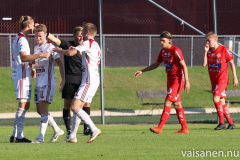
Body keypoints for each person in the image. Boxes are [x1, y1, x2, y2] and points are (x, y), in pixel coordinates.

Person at [53, 22, 101, 143]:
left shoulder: (87, 42)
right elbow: (83, 54)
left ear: (87, 32)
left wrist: (60, 50)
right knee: (78, 107)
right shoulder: (95, 44)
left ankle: (94, 129)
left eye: (83, 30)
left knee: (74, 107)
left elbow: (69, 53)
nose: (82, 33)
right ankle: (73, 135)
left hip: (88, 81)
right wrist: (76, 50)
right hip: (93, 79)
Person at [134, 31, 190, 134]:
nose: (161, 42)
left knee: (168, 101)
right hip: (170, 79)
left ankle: (159, 127)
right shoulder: (163, 52)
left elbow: (184, 66)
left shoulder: (176, 50)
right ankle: (184, 128)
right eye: (161, 40)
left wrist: (187, 81)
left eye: (163, 40)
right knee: (177, 104)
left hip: (177, 80)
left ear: (169, 40)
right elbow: (156, 64)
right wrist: (142, 71)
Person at [10, 16, 50, 143]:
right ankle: (17, 135)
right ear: (28, 26)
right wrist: (41, 55)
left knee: (25, 104)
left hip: (22, 74)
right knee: (23, 104)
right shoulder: (22, 40)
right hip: (22, 75)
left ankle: (16, 135)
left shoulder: (19, 37)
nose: (34, 27)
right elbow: (23, 58)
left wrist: (33, 65)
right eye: (33, 25)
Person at [47, 27, 91, 136]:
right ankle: (68, 129)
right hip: (70, 78)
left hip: (83, 78)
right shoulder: (68, 45)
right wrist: (45, 32)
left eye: (82, 35)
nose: (80, 37)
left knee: (85, 103)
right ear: (74, 36)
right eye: (78, 35)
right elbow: (56, 41)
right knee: (67, 105)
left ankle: (86, 128)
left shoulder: (86, 46)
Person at [31, 24, 65, 143]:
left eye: (40, 35)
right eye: (36, 35)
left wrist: (63, 79)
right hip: (38, 82)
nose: (38, 38)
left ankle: (40, 137)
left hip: (48, 82)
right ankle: (57, 129)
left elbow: (60, 63)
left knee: (43, 110)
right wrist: (33, 68)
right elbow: (36, 61)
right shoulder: (36, 48)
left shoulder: (51, 47)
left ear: (46, 34)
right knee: (39, 110)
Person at [203, 31, 238, 130]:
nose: (207, 43)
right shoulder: (209, 51)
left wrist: (234, 77)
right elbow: (204, 64)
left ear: (215, 39)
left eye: (209, 41)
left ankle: (222, 123)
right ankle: (231, 124)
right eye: (206, 41)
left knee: (215, 99)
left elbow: (231, 63)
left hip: (222, 79)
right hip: (213, 79)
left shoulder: (224, 49)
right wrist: (205, 51)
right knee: (222, 101)